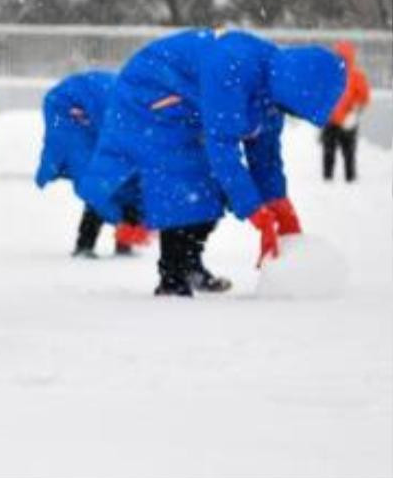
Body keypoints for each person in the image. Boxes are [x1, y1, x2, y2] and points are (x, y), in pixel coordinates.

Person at [77, 28, 346, 297]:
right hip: (150, 97)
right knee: (183, 184)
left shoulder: (272, 94)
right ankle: (172, 279)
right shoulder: (233, 66)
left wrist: (279, 204)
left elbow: (265, 157)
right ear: (293, 88)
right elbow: (223, 148)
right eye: (294, 109)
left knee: (212, 189)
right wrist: (255, 211)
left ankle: (191, 264)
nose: (290, 114)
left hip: (187, 108)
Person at [35, 71, 149, 259]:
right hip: (97, 138)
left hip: (108, 141)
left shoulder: (130, 104)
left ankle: (121, 241)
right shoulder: (116, 102)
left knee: (126, 190)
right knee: (103, 191)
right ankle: (88, 244)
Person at [321, 41, 370, 182]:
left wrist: (354, 112)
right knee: (330, 152)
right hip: (331, 120)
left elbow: (363, 97)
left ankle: (350, 178)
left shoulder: (356, 76)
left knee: (348, 153)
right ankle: (328, 178)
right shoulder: (329, 75)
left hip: (348, 121)